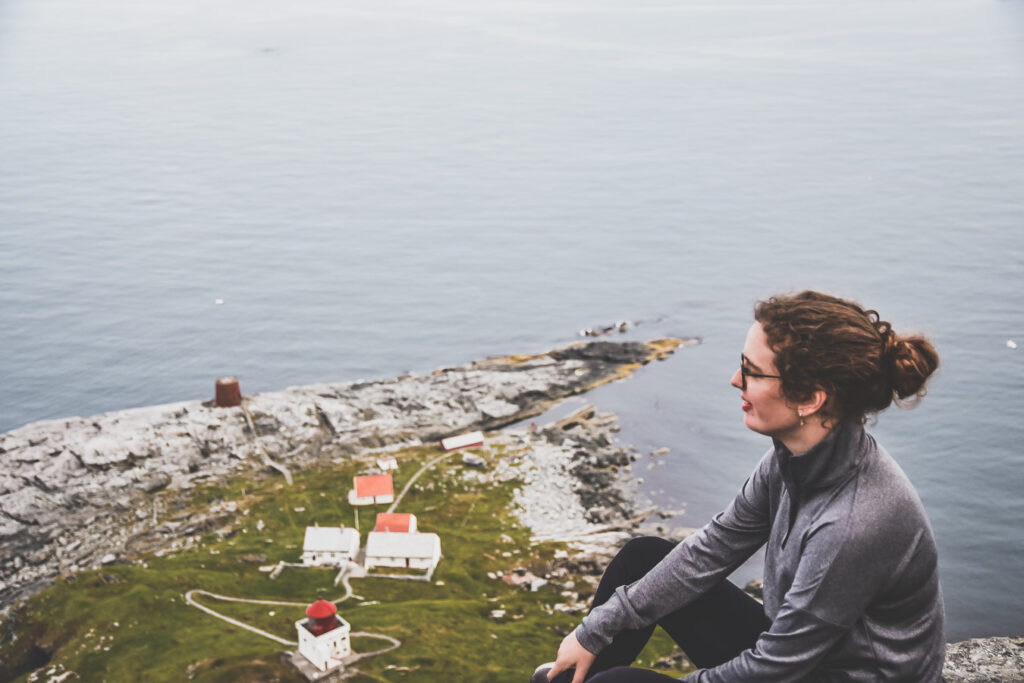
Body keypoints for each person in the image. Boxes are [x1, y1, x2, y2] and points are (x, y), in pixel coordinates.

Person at [532, 291, 945, 682]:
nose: (735, 379)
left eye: (752, 370)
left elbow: (774, 669)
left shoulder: (854, 523)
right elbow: (711, 549)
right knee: (642, 558)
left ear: (810, 399)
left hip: (830, 674)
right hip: (805, 658)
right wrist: (593, 632)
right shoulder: (790, 461)